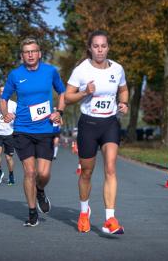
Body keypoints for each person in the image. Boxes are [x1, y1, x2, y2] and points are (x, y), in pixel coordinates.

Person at [65, 30, 129, 234]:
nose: (100, 50)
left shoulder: (117, 69)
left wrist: (124, 103)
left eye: (103, 46)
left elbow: (123, 89)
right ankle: (84, 212)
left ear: (108, 47)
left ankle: (110, 218)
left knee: (110, 168)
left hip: (110, 123)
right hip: (88, 125)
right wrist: (85, 92)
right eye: (96, 46)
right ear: (90, 48)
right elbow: (67, 97)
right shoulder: (81, 70)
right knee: (86, 172)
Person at [0, 37, 66, 227]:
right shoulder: (15, 75)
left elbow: (62, 92)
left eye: (33, 51)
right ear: (22, 56)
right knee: (29, 172)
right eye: (26, 52)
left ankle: (40, 190)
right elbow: (4, 98)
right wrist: (5, 113)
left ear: (39, 53)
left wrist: (59, 112)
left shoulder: (50, 71)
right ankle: (31, 213)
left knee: (43, 174)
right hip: (22, 129)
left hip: (45, 129)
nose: (30, 54)